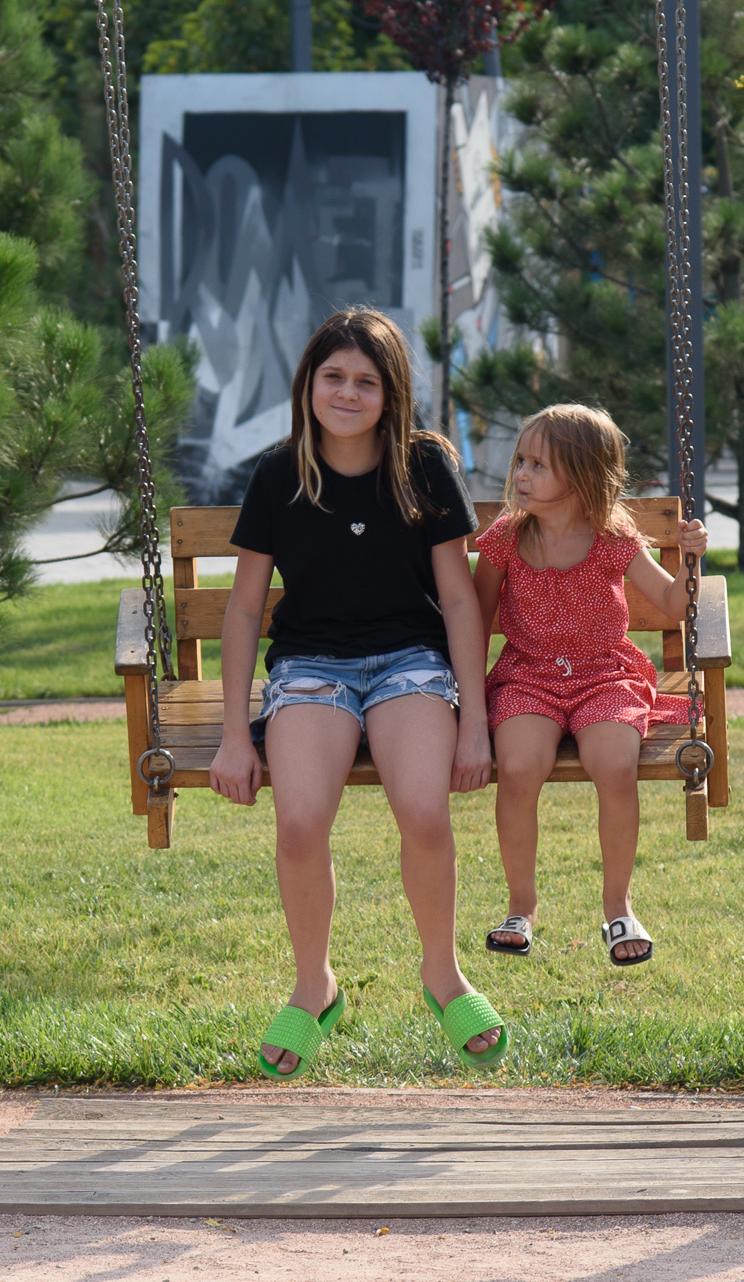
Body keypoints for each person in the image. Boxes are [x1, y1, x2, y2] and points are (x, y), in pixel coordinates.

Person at [209, 308, 506, 1079]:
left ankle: (441, 972)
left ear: (391, 391)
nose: (347, 393)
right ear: (309, 384)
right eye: (333, 377)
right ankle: (315, 986)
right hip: (311, 667)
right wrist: (235, 733)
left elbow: (462, 600)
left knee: (423, 807)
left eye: (365, 381)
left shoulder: (425, 466)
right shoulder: (279, 475)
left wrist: (475, 723)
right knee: (300, 818)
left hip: (410, 662)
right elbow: (245, 609)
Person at [475, 404, 709, 966]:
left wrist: (692, 560)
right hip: (527, 676)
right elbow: (474, 618)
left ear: (580, 476)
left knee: (615, 765)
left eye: (538, 465)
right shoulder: (506, 538)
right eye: (520, 461)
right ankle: (521, 906)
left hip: (605, 675)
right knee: (520, 767)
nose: (521, 475)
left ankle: (618, 906)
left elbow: (675, 604)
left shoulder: (611, 539)